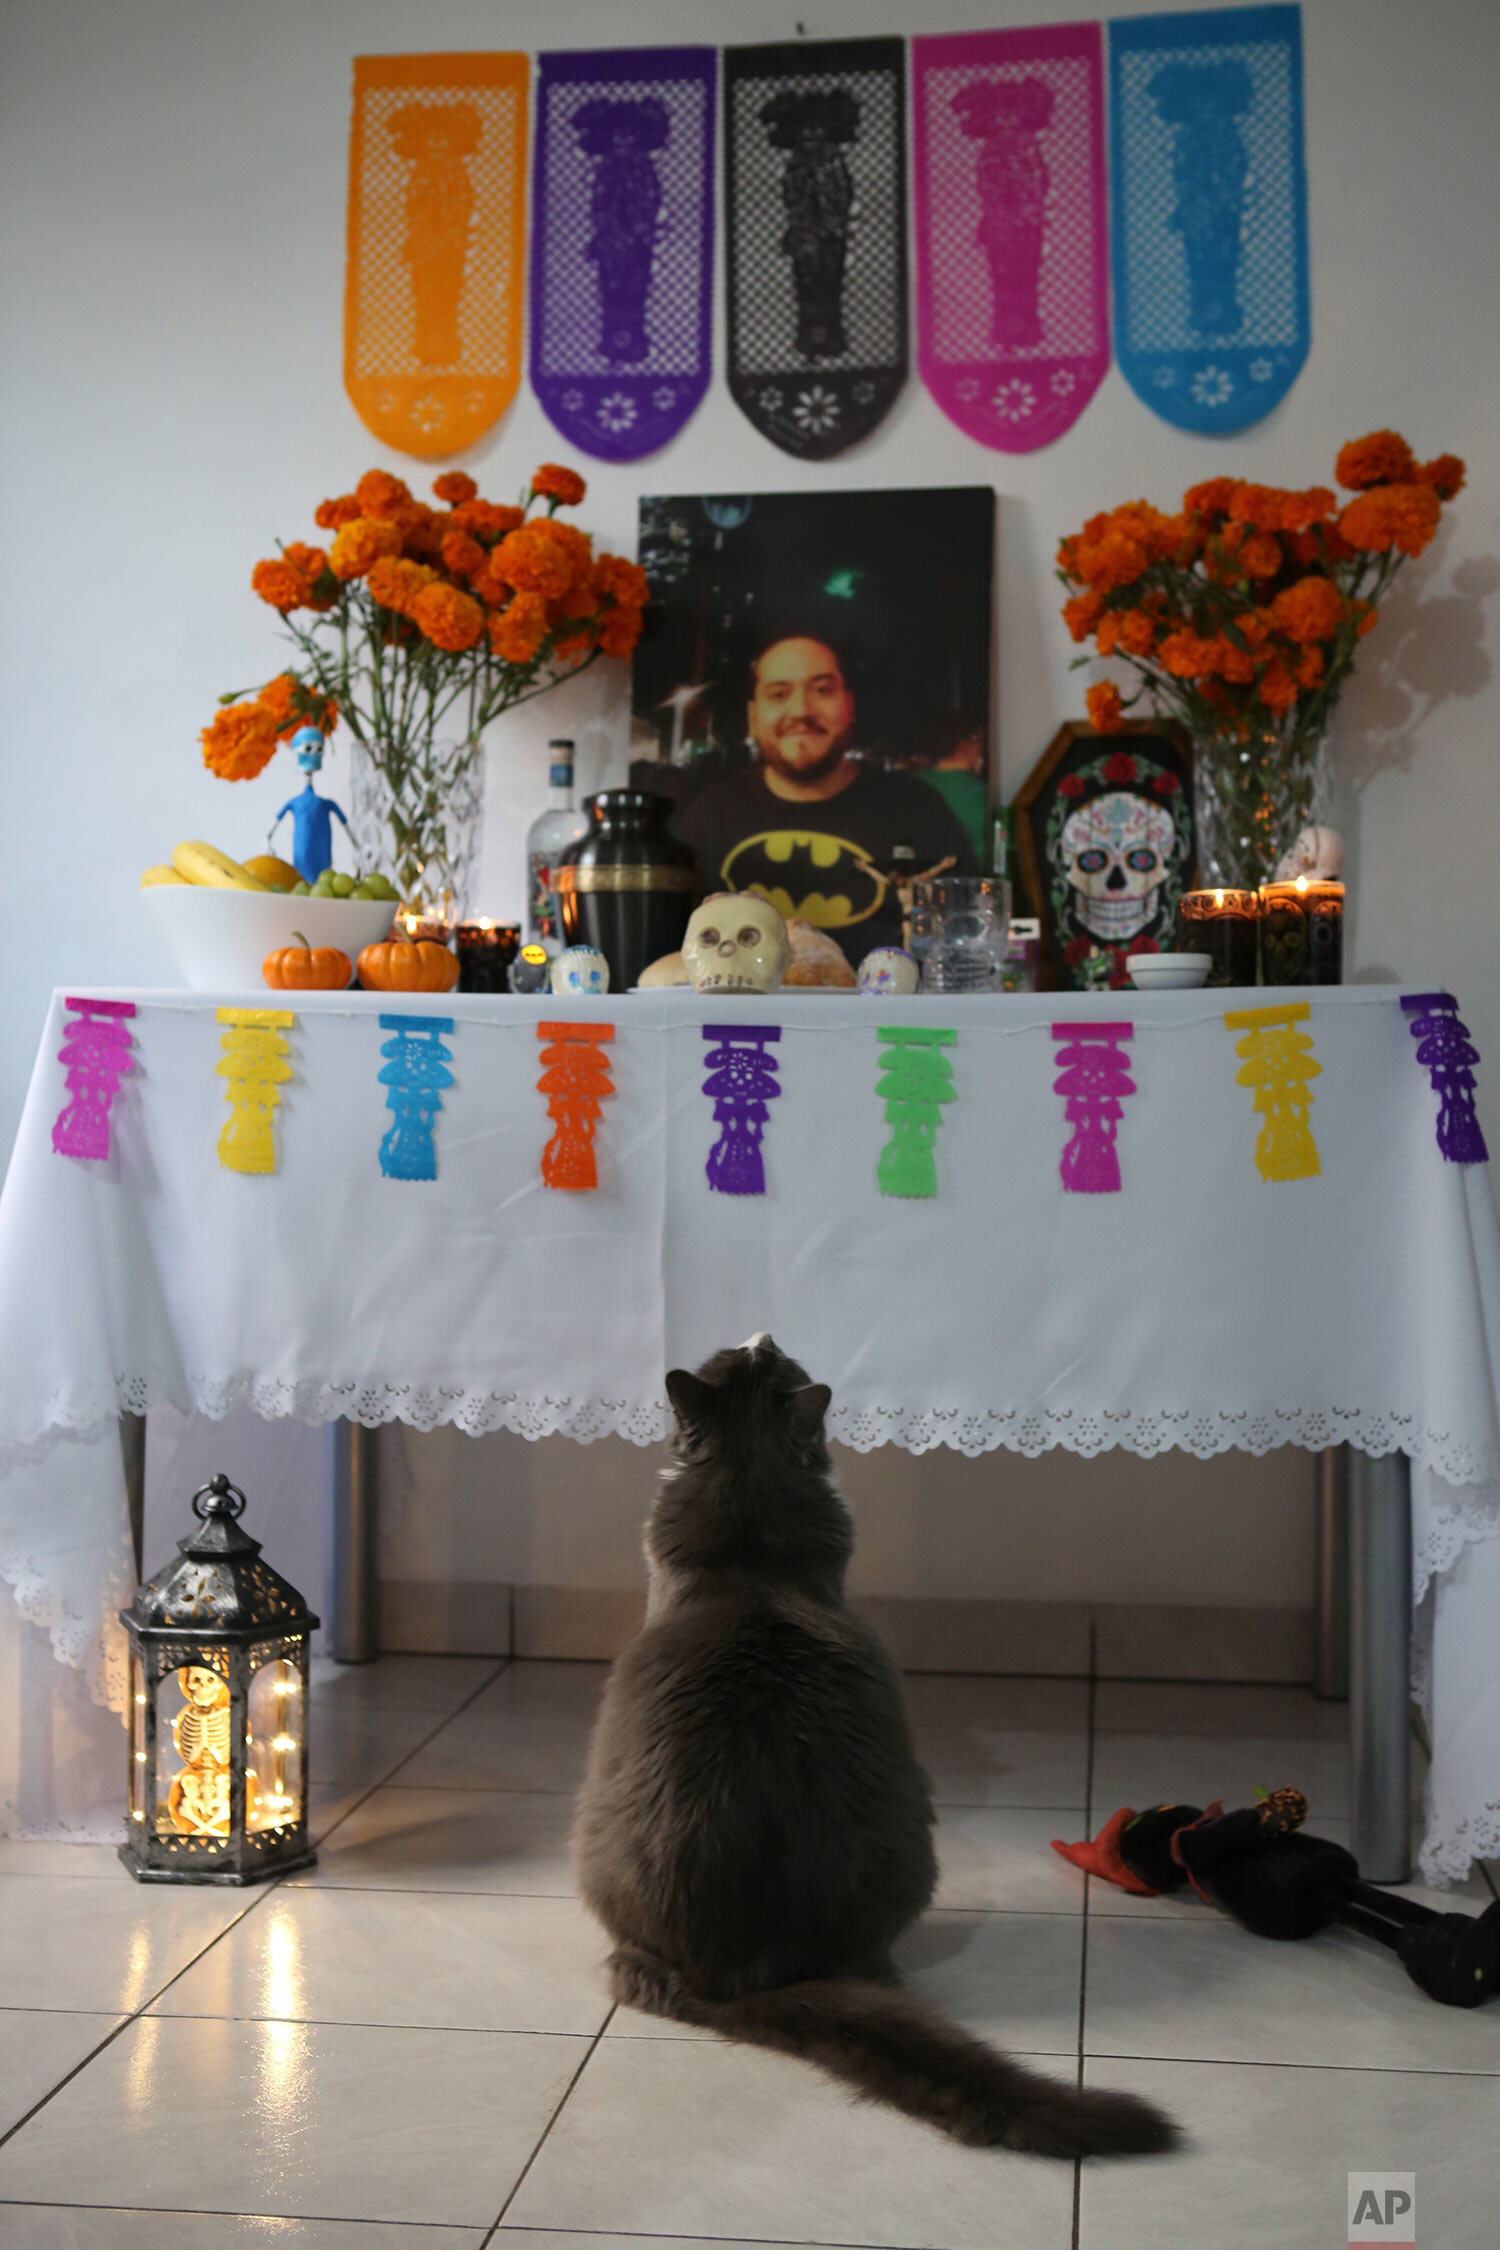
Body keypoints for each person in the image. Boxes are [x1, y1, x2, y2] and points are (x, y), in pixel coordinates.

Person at [671, 634, 977, 964]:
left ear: (849, 706)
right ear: (753, 716)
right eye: (779, 694)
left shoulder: (919, 812)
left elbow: (966, 946)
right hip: (747, 1017)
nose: (801, 710)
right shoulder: (708, 822)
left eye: (822, 690)